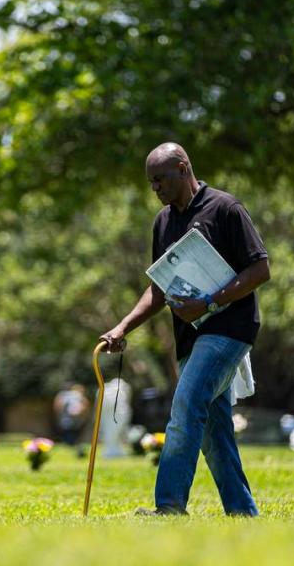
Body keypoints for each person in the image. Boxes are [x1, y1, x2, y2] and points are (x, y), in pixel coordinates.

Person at [100, 142, 270, 517]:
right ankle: (244, 514)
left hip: (230, 328)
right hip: (190, 336)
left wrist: (210, 302)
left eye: (160, 179)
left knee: (186, 404)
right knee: (214, 430)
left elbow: (260, 269)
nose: (156, 188)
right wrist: (122, 327)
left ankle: (169, 507)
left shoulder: (225, 208)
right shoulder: (163, 222)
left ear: (183, 167)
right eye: (151, 183)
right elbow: (158, 290)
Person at [53, 383, 90, 457]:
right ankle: (76, 452)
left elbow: (58, 406)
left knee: (70, 437)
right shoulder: (77, 396)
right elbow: (86, 405)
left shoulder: (64, 396)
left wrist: (59, 415)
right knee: (71, 437)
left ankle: (74, 452)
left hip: (68, 421)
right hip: (72, 421)